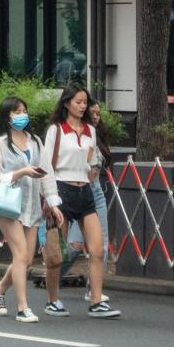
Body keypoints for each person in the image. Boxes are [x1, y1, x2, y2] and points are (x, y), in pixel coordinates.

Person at [40, 83, 120, 318]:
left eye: (85, 102)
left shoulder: (90, 130)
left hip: (85, 189)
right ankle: (52, 299)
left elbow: (91, 160)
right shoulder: (56, 129)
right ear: (66, 103)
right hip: (61, 190)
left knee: (97, 249)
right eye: (78, 102)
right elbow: (47, 165)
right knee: (58, 252)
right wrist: (49, 198)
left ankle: (96, 300)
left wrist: (93, 168)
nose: (82, 106)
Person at [0, 97, 64, 324]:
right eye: (16, 111)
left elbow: (47, 173)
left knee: (27, 260)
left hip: (32, 207)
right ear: (6, 117)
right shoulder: (1, 144)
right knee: (20, 255)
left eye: (24, 110)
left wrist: (53, 203)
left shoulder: (35, 142)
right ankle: (23, 307)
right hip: (8, 206)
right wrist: (22, 172)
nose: (22, 115)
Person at [61, 97, 112, 302]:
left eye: (99, 114)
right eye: (93, 113)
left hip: (95, 190)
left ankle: (94, 290)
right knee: (73, 244)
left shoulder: (94, 135)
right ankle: (54, 274)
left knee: (101, 243)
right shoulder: (70, 135)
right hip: (71, 189)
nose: (96, 117)